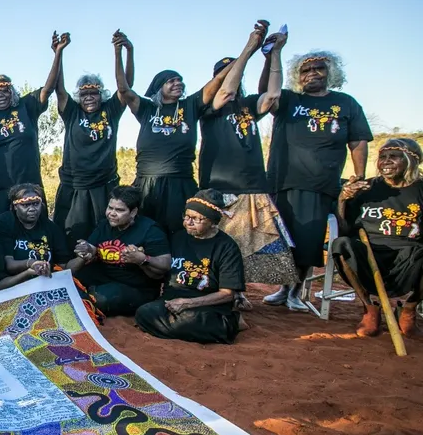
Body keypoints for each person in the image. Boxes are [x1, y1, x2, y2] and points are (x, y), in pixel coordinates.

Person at [262, 49, 373, 310]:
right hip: (283, 180)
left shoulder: (346, 103)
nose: (312, 73)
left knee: (308, 239)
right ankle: (283, 288)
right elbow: (266, 91)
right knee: (282, 239)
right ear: (296, 76)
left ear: (330, 72)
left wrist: (359, 174)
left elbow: (357, 141)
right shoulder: (288, 100)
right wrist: (272, 55)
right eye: (305, 70)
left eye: (319, 68)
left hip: (319, 183)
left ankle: (296, 291)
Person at [200, 22, 298, 294]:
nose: (233, 75)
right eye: (225, 72)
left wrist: (275, 53)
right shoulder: (209, 107)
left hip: (253, 185)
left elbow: (273, 95)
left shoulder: (248, 106)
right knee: (219, 243)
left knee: (247, 247)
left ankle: (238, 293)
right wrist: (249, 48)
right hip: (221, 186)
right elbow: (226, 90)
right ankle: (218, 292)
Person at [114, 34, 221, 234]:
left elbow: (217, 82)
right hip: (146, 183)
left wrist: (248, 49)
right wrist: (122, 51)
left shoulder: (190, 105)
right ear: (159, 87)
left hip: (179, 183)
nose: (178, 83)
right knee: (142, 231)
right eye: (171, 81)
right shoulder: (146, 108)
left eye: (180, 80)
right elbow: (123, 88)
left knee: (179, 231)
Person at [334, 138, 423, 338]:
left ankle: (409, 309)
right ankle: (370, 308)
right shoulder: (366, 188)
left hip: (410, 255)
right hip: (370, 251)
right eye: (382, 157)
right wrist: (343, 199)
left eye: (394, 156)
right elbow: (345, 228)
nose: (386, 161)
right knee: (341, 245)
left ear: (412, 160)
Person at [53, 30, 133, 246]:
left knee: (104, 232)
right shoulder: (72, 113)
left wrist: (122, 52)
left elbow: (125, 87)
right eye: (85, 94)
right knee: (71, 234)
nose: (89, 98)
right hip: (75, 185)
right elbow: (59, 90)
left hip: (103, 184)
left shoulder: (111, 111)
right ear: (79, 97)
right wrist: (58, 53)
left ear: (101, 95)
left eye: (94, 93)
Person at [134, 190, 246, 344]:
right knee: (144, 312)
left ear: (213, 222)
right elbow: (161, 273)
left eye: (196, 219)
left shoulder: (227, 247)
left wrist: (187, 303)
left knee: (190, 319)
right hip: (171, 302)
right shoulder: (178, 238)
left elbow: (227, 294)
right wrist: (143, 259)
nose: (188, 222)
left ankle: (230, 323)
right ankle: (212, 330)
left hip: (205, 306)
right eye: (186, 216)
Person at [0, 33, 63, 214]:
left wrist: (57, 53)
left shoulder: (26, 106)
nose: (0, 95)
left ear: (11, 91)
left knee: (32, 231)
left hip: (27, 186)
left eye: (4, 91)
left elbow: (48, 88)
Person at [73, 186, 171, 316]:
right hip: (105, 278)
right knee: (70, 283)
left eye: (119, 210)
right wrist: (87, 249)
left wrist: (142, 259)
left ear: (133, 212)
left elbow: (166, 264)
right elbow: (92, 248)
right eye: (110, 208)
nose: (112, 213)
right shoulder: (104, 225)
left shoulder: (150, 230)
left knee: (100, 299)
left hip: (135, 287)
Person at [0, 183, 82, 279]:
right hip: (15, 282)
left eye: (36, 204)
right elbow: (9, 265)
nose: (32, 209)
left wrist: (82, 257)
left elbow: (64, 268)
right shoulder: (6, 223)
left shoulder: (51, 228)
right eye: (26, 205)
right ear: (15, 206)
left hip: (45, 281)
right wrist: (31, 263)